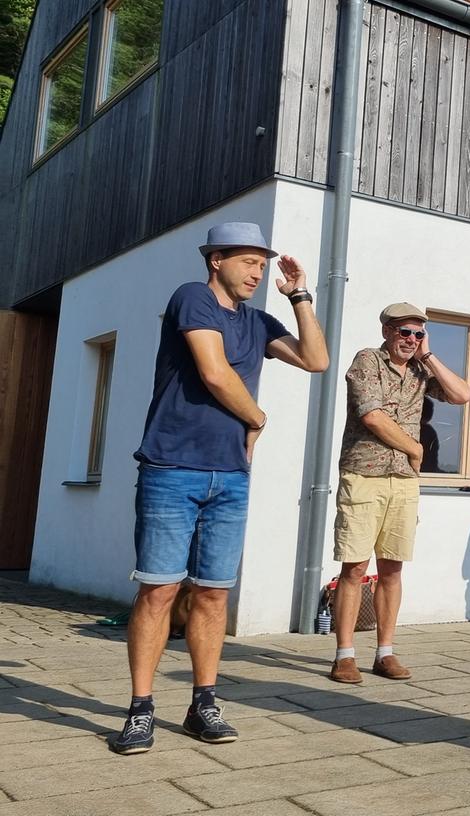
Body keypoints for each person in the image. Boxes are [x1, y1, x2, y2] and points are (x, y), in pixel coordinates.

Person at [109, 223, 329, 755]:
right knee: (159, 590)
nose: (257, 272)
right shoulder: (192, 299)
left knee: (213, 593)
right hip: (171, 467)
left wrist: (300, 294)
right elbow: (212, 371)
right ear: (216, 261)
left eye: (263, 264)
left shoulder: (258, 321)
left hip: (230, 476)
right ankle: (141, 710)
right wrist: (257, 416)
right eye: (248, 262)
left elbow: (315, 359)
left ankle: (202, 703)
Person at [327, 304, 470, 684]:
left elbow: (462, 395)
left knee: (392, 567)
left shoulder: (422, 368)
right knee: (355, 568)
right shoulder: (367, 361)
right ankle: (344, 655)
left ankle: (385, 652)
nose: (411, 340)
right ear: (388, 330)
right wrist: (415, 448)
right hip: (365, 474)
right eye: (405, 332)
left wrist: (430, 356)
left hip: (403, 481)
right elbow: (371, 415)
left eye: (419, 334)